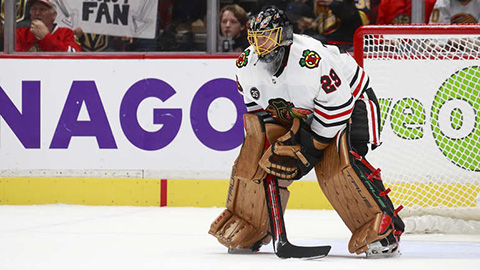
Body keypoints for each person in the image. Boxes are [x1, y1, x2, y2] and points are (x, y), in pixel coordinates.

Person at [209, 5, 404, 258]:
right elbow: (260, 113)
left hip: (351, 102)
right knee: (259, 159)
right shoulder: (246, 65)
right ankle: (254, 225)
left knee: (338, 163)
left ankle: (384, 228)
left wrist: (310, 149)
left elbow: (337, 110)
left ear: (284, 36)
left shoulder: (310, 60)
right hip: (302, 112)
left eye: (267, 37)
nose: (261, 45)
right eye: (256, 38)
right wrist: (274, 143)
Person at [298, 0, 369, 52]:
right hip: (323, 46)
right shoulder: (314, 5)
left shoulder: (351, 4)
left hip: (345, 48)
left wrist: (333, 3)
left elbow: (357, 21)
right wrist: (306, 24)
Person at [16, 0, 80, 52]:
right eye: (34, 9)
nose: (37, 13)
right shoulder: (20, 33)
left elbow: (74, 57)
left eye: (42, 9)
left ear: (54, 15)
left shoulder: (67, 33)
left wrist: (46, 37)